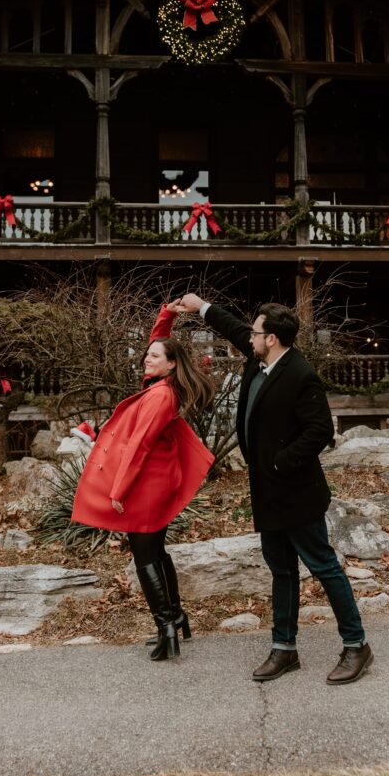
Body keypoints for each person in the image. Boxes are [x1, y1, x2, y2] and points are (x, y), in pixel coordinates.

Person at [178, 293, 373, 685]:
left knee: (324, 568)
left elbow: (319, 430)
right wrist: (200, 307)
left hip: (297, 491)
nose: (249, 336)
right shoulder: (260, 358)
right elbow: (234, 327)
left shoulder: (301, 375)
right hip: (266, 491)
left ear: (272, 338)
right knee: (281, 571)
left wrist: (282, 461)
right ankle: (284, 649)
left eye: (256, 332)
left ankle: (356, 645)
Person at [71, 300, 215, 661]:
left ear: (171, 364)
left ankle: (166, 627)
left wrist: (119, 489)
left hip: (148, 484)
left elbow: (139, 445)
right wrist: (167, 314)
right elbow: (160, 341)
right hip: (156, 479)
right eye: (147, 354)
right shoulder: (159, 384)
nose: (146, 358)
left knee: (144, 557)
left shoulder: (160, 396)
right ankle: (176, 615)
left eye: (154, 356)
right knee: (155, 551)